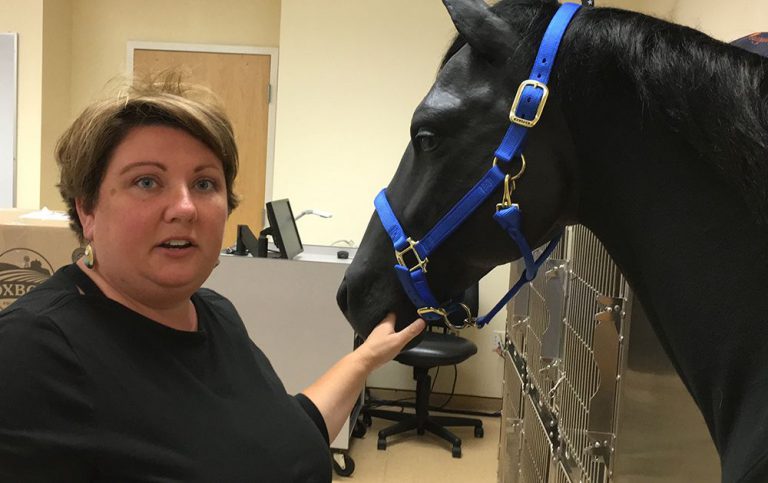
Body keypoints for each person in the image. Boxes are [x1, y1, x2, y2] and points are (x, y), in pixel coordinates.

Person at [0, 76, 425, 482]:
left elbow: (289, 435)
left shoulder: (213, 312)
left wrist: (366, 357)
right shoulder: (35, 351)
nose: (185, 208)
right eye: (147, 182)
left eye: (204, 183)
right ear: (87, 211)